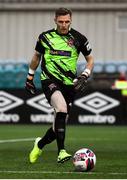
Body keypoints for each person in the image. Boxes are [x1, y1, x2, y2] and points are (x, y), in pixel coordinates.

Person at [25, 7, 94, 164]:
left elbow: (90, 59)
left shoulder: (79, 38)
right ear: (55, 20)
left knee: (58, 126)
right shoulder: (45, 37)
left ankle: (39, 144)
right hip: (49, 80)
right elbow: (37, 56)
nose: (64, 24)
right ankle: (61, 152)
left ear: (71, 20)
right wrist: (30, 76)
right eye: (61, 21)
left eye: (67, 21)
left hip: (70, 84)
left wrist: (85, 75)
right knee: (61, 108)